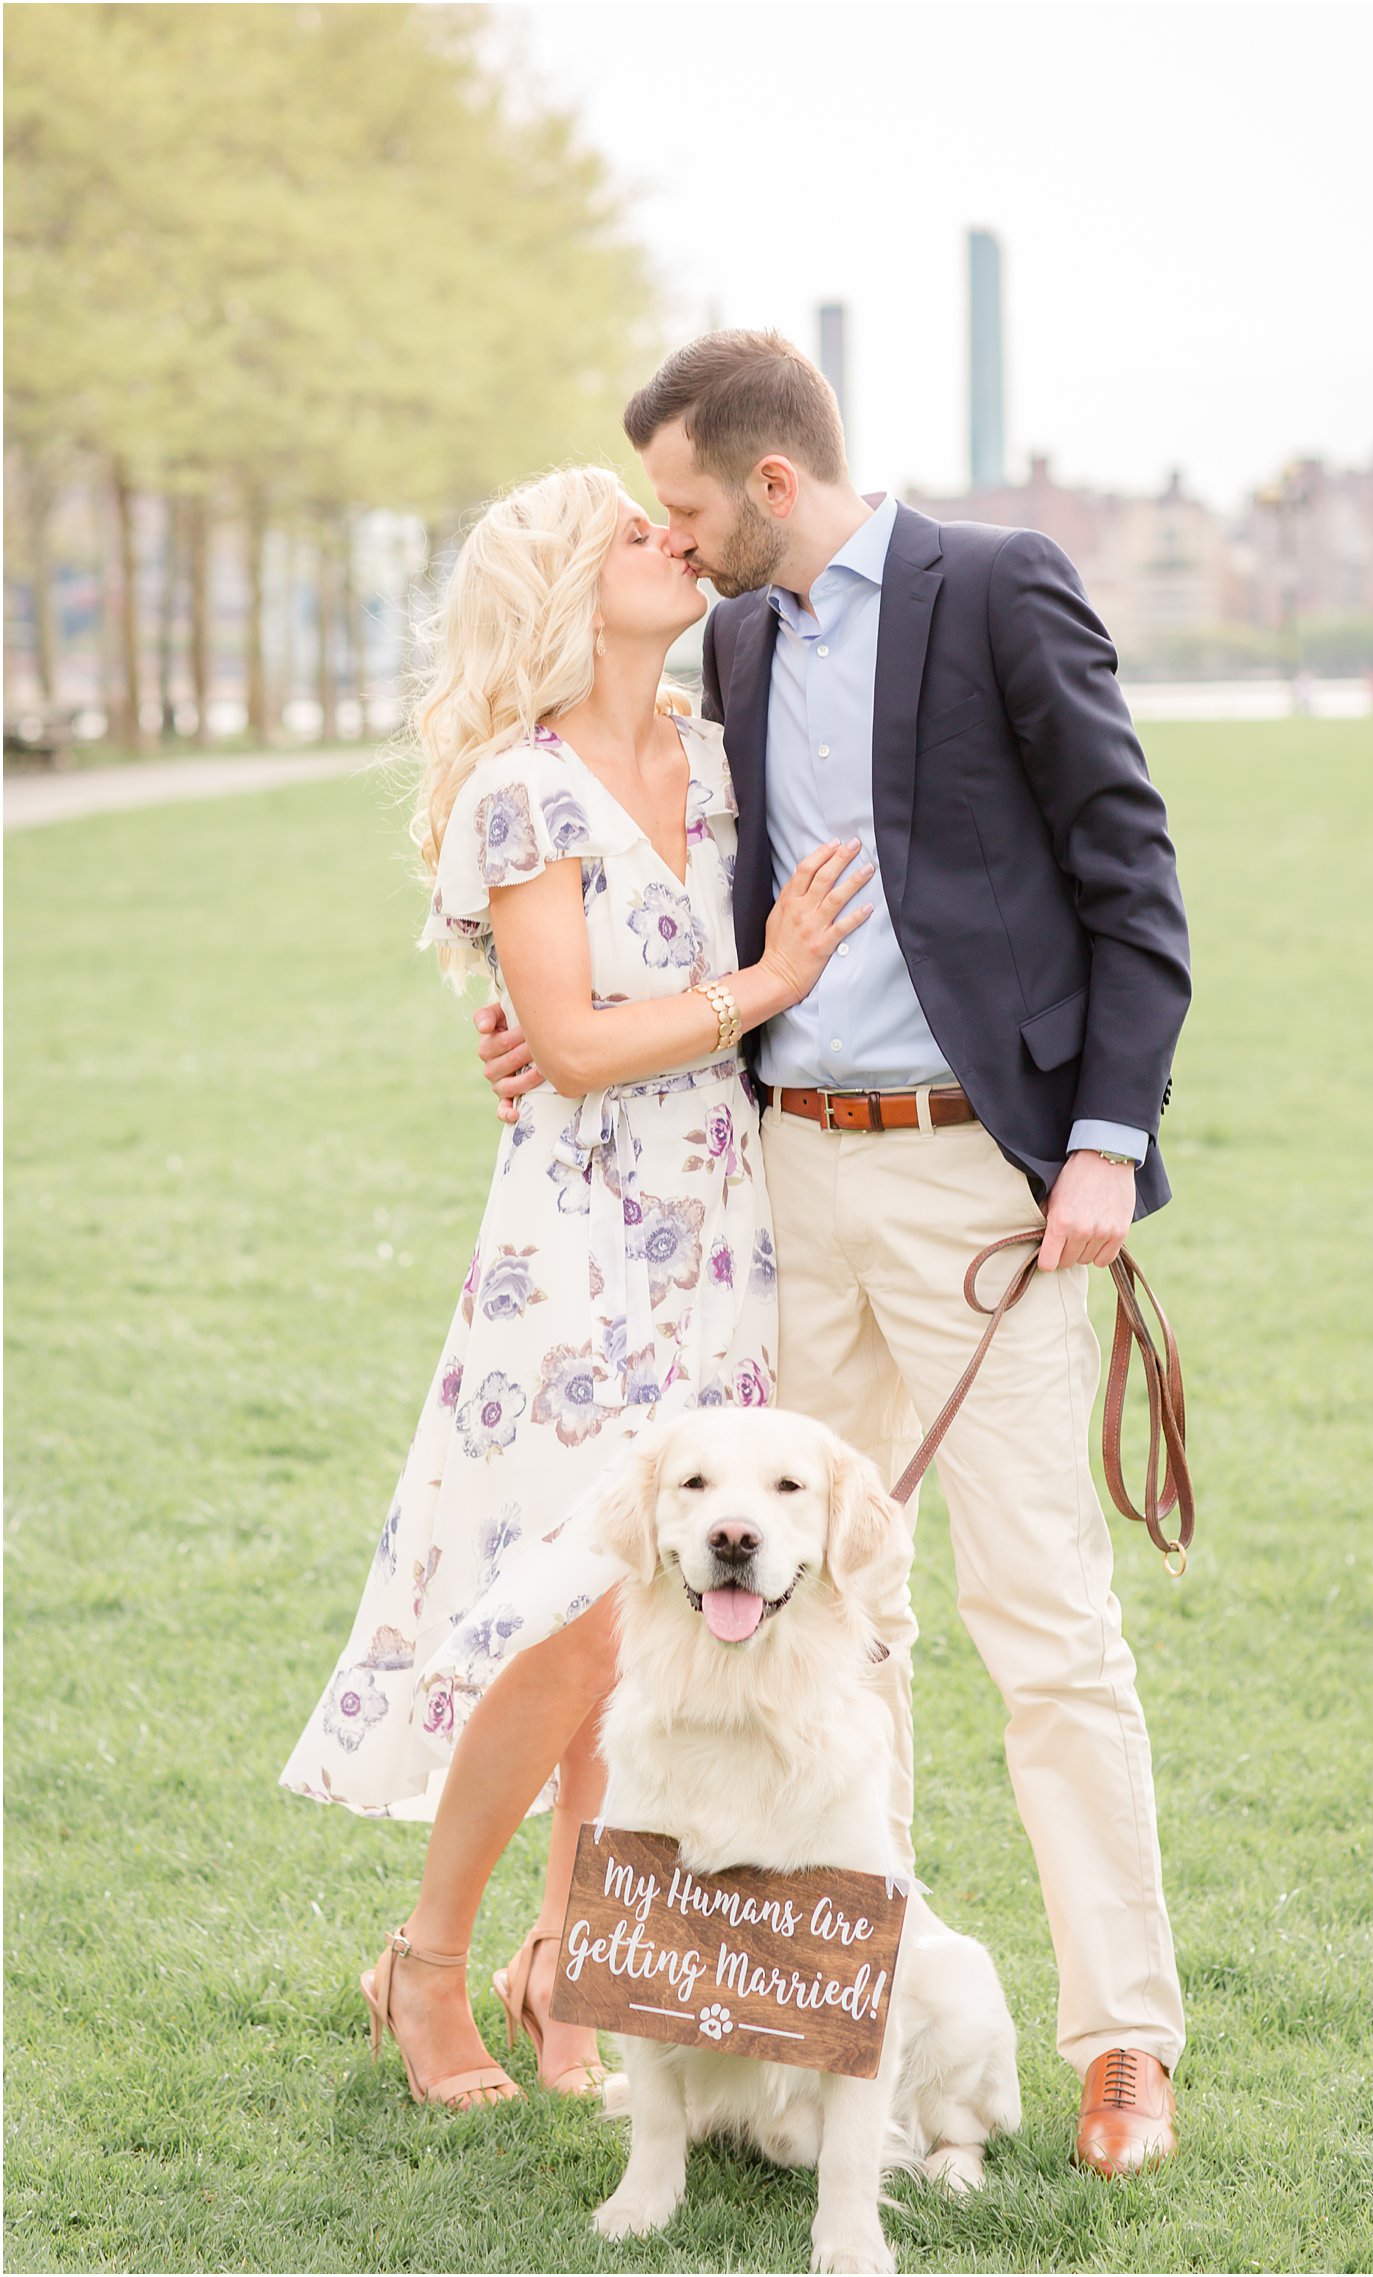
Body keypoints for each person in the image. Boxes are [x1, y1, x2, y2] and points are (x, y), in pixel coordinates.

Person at [478, 333, 1192, 2174]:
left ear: (771, 485)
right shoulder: (730, 642)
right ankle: (811, 2015)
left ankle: (1125, 2041)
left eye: (690, 503)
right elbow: (685, 877)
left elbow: (1130, 870)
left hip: (986, 1193)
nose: (676, 534)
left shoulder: (996, 585)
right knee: (806, 1620)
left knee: (1042, 1623)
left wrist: (1104, 1139)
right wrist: (541, 1029)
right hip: (785, 1179)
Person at [281, 464, 872, 2108]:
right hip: (580, 1240)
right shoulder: (521, 792)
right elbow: (571, 1044)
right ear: (562, 587)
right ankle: (428, 1957)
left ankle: (573, 1969)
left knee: (646, 1619)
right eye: (633, 531)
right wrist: (765, 986)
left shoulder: (717, 754)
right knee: (562, 1615)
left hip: (722, 1229)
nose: (673, 540)